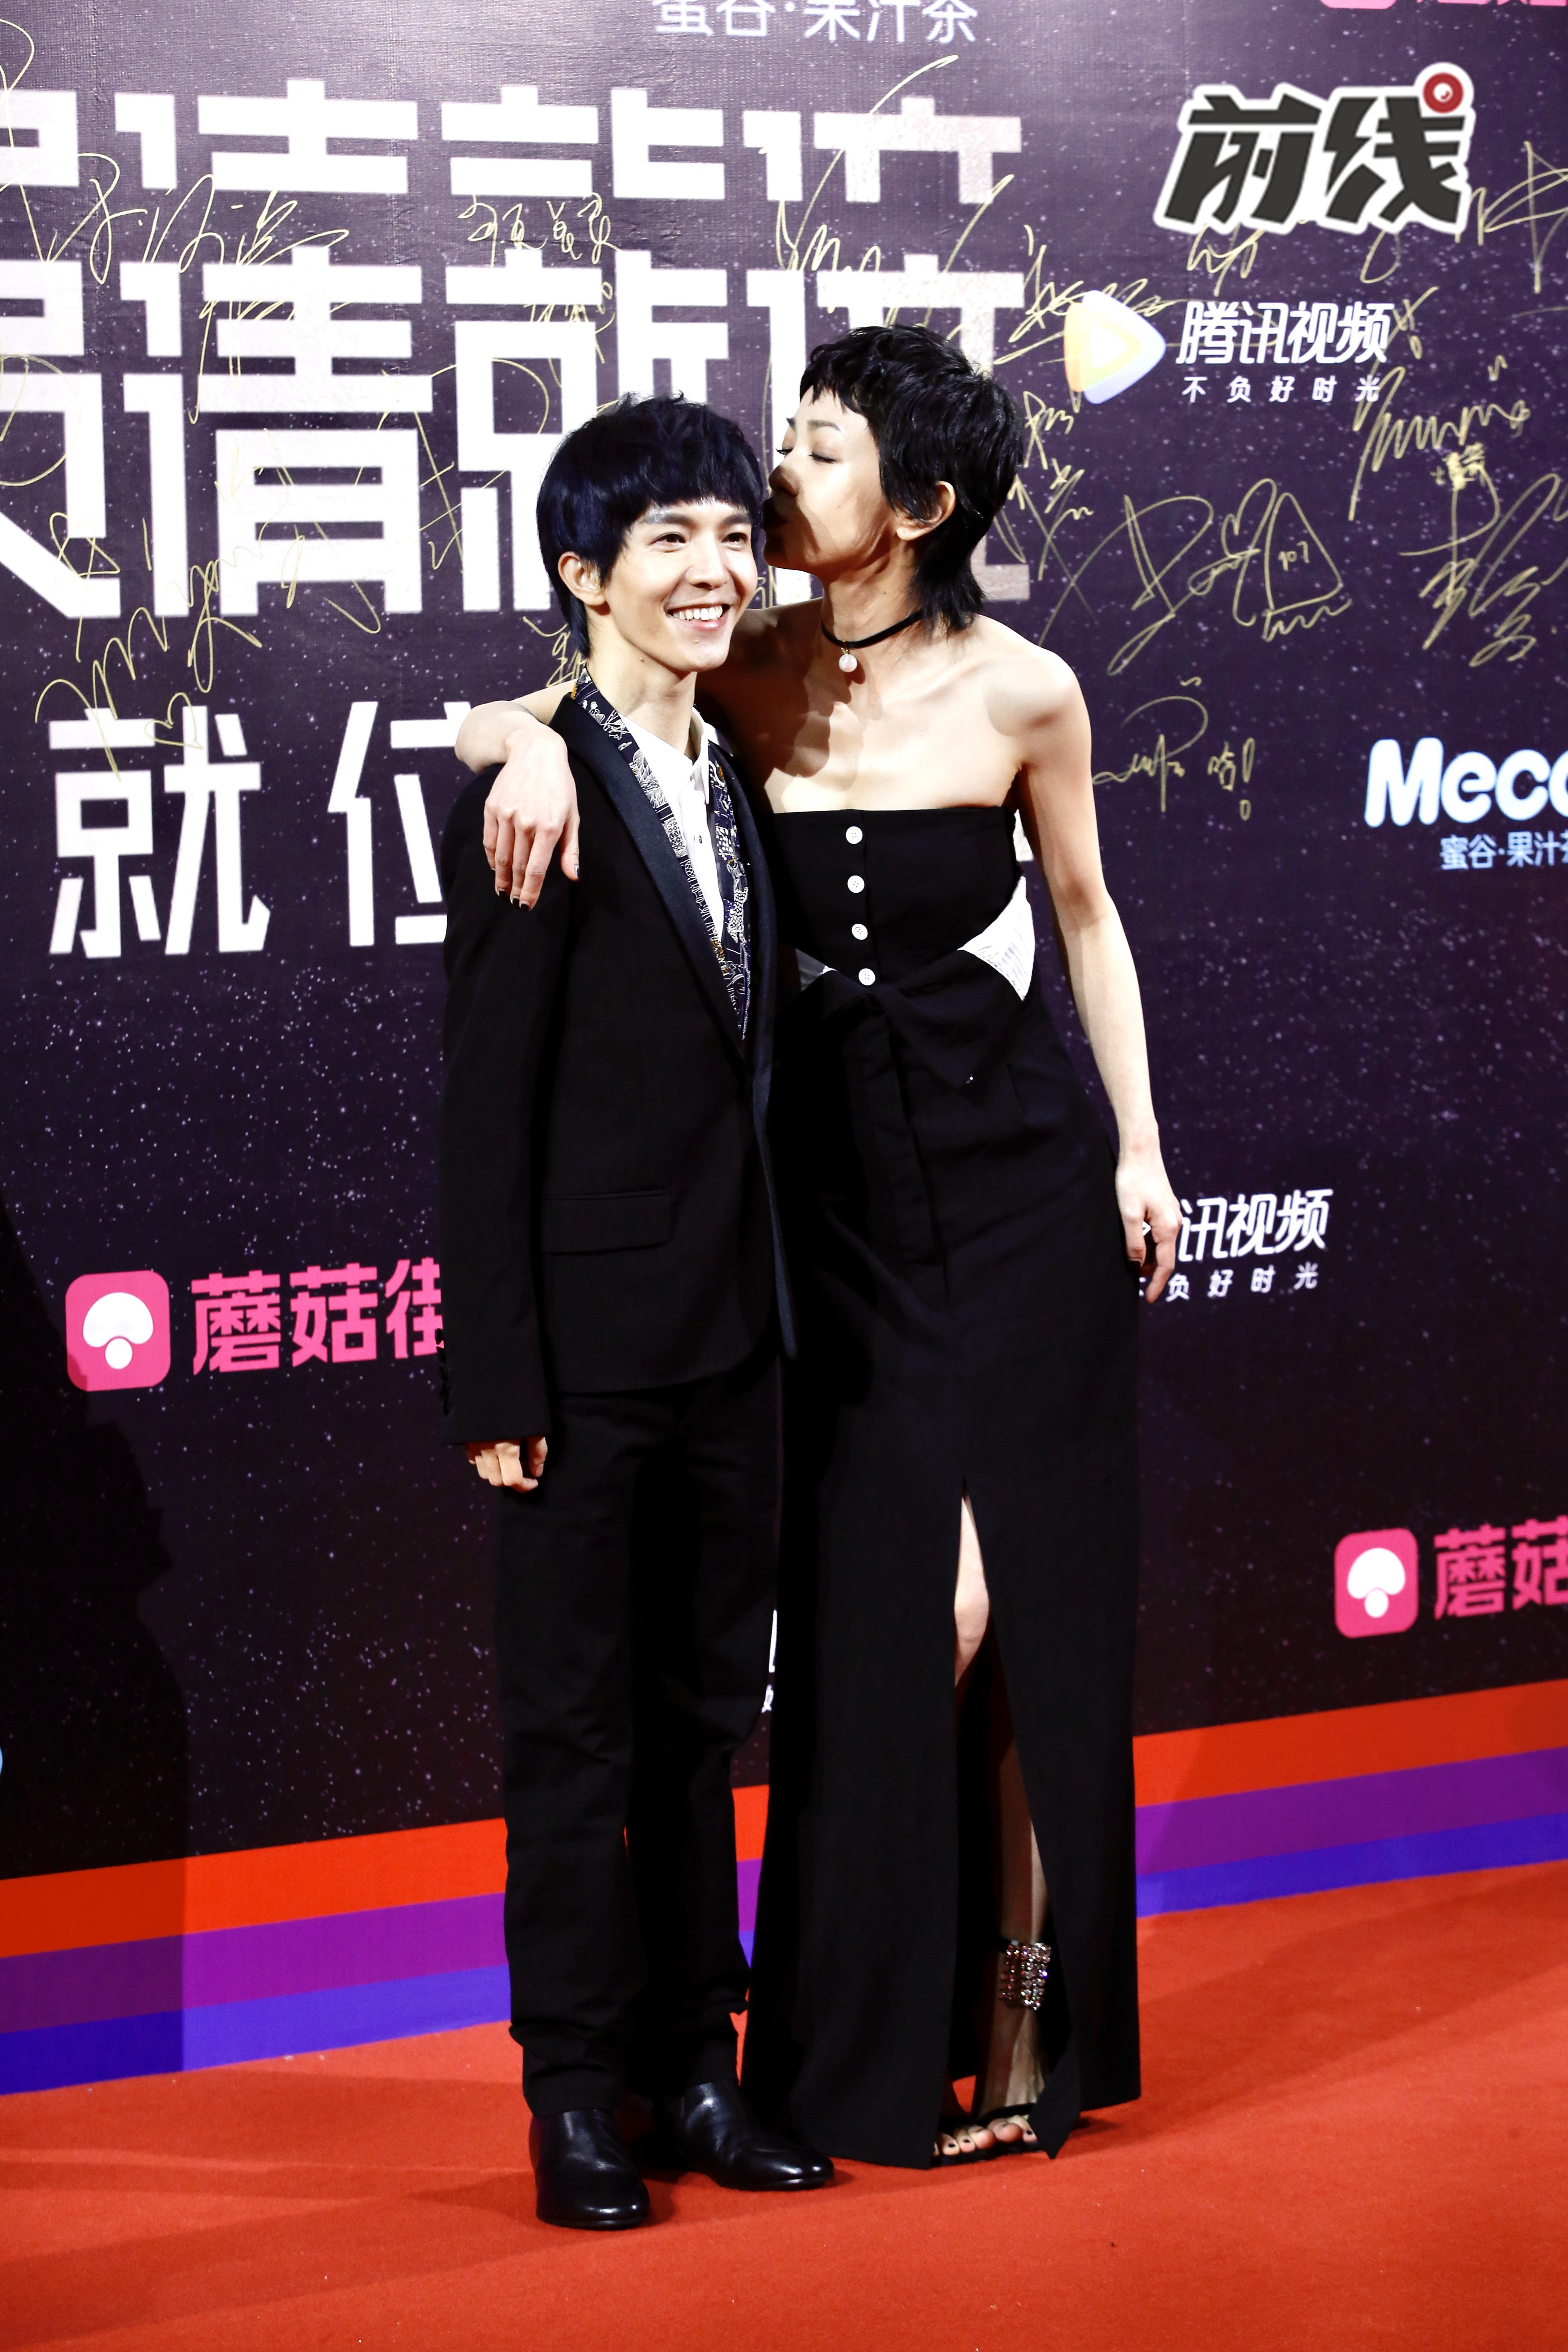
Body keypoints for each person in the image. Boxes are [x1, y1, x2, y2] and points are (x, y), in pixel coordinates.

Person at [456, 326, 1183, 2170]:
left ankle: (1020, 2029)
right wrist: (513, 734)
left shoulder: (1026, 692)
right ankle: (836, 2055)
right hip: (827, 1224)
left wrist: (1142, 1146)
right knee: (879, 1623)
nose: (775, 485)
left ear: (919, 505)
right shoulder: (750, 664)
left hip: (1017, 1192)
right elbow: (569, 705)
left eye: (821, 449)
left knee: (1007, 1612)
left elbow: (1088, 916)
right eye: (783, 441)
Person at [438, 394, 831, 2229]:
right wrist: (497, 1378)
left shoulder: (738, 763)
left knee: (695, 1733)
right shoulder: (532, 791)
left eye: (733, 536)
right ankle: (574, 2095)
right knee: (572, 1746)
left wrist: (517, 715)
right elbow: (485, 1111)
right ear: (582, 574)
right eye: (667, 539)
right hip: (582, 1368)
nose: (712, 569)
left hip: (737, 1349)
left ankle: (696, 2069)